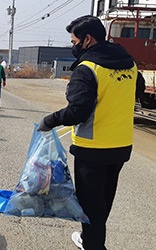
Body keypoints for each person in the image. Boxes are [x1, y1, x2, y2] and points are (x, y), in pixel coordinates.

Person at [36, 15, 146, 250]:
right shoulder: (129, 64)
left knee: (90, 208)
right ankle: (91, 239)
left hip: (93, 149)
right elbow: (137, 91)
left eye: (74, 41)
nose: (73, 45)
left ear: (87, 39)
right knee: (103, 202)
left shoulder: (87, 69)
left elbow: (77, 111)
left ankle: (93, 244)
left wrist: (49, 120)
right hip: (121, 146)